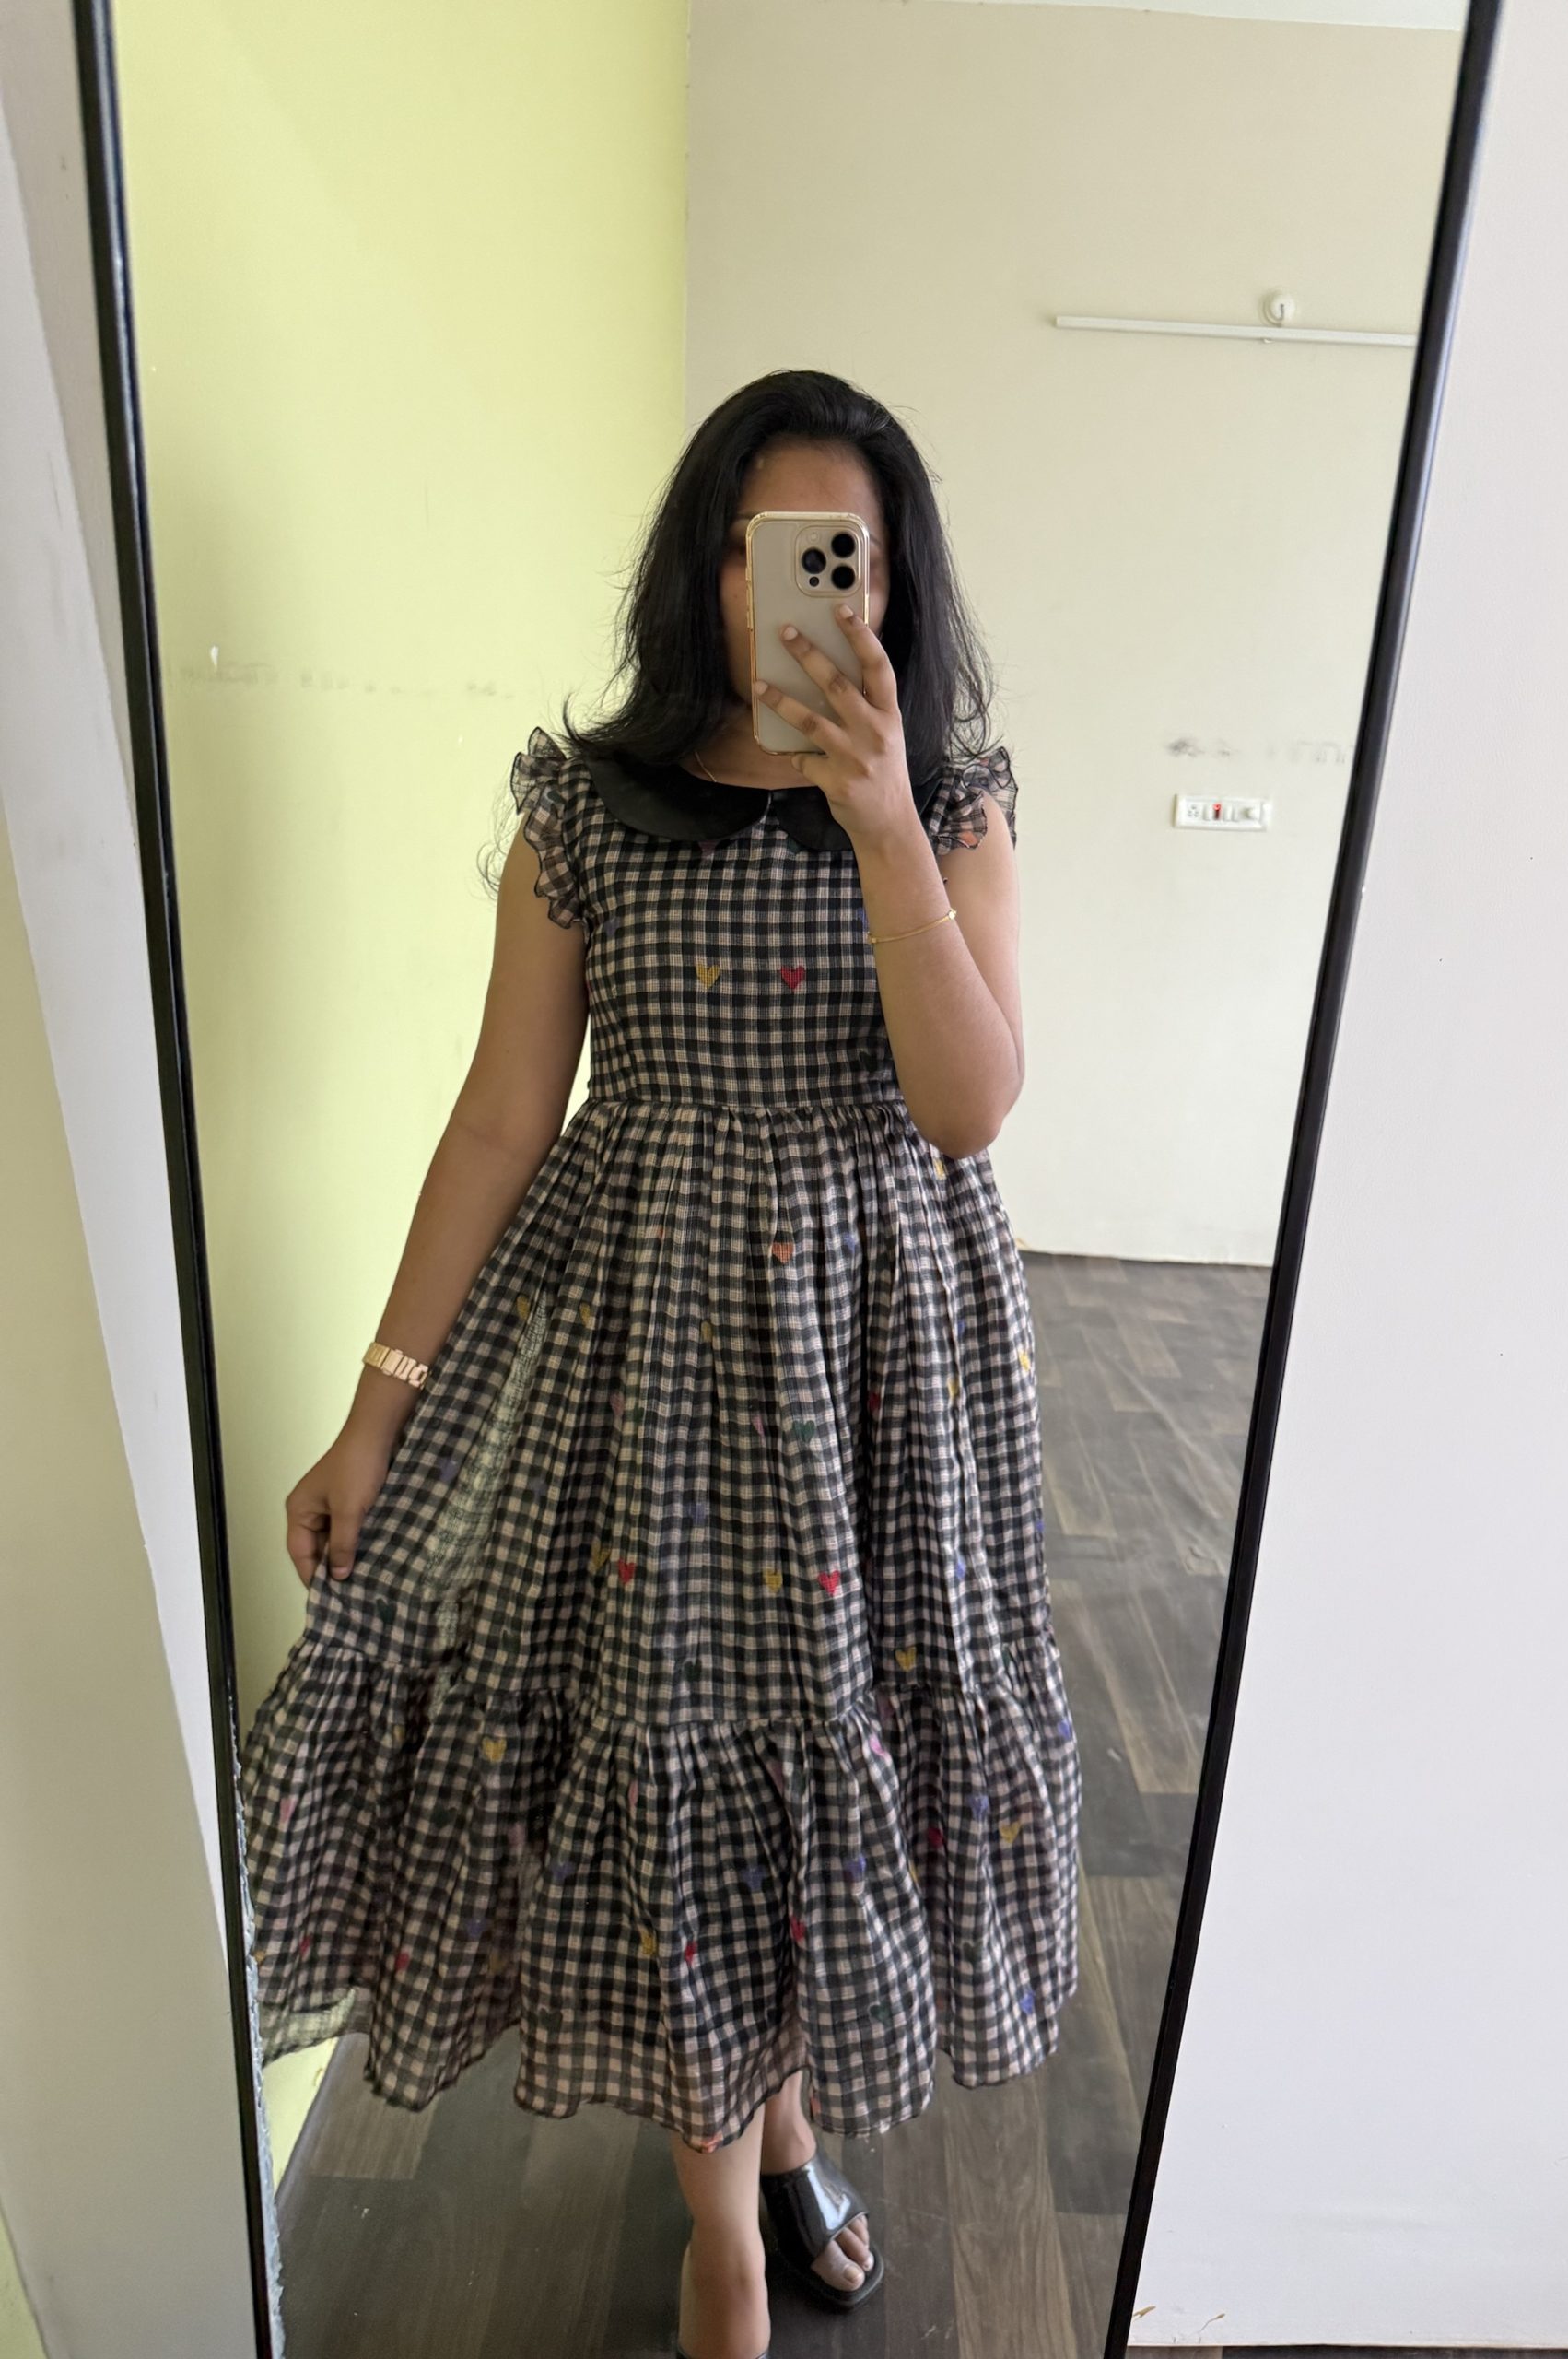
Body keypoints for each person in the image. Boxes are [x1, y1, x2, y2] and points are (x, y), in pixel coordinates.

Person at [241, 368, 1080, 2359]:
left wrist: (882, 822)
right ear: (703, 563)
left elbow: (967, 1105)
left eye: (839, 553)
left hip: (882, 1366)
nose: (797, 589)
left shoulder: (956, 803)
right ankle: (725, 2232)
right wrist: (374, 1408)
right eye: (760, 546)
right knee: (687, 1762)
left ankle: (782, 2128)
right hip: (660, 1359)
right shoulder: (586, 809)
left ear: (892, 578)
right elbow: (498, 1120)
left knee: (836, 1744)